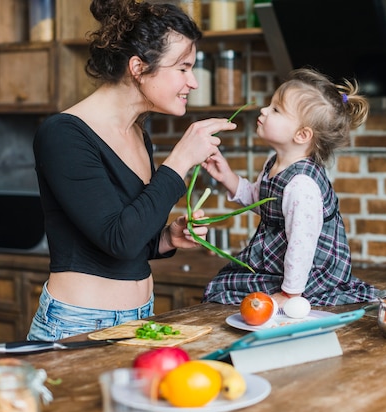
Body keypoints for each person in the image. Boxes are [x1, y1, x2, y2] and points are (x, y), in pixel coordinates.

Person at [27, 0, 237, 341]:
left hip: (140, 318)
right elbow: (118, 240)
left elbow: (131, 234)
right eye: (183, 68)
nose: (193, 82)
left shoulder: (139, 134)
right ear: (138, 67)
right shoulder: (64, 134)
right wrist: (180, 160)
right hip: (78, 324)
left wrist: (166, 238)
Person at [201, 68, 377, 307]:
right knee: (224, 285)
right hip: (280, 263)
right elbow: (263, 202)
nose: (264, 110)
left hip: (308, 274)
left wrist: (290, 295)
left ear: (302, 134)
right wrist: (227, 177)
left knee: (226, 289)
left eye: (275, 110)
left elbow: (301, 246)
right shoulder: (275, 162)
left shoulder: (301, 185)